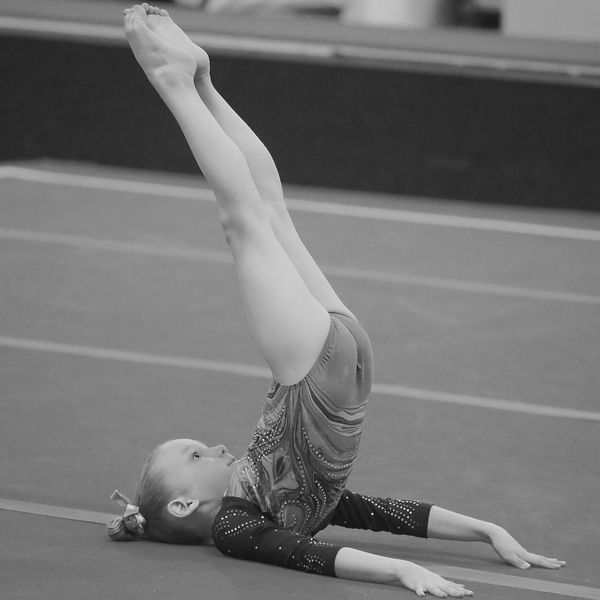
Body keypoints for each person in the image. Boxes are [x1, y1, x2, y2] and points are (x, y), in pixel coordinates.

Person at [110, 5, 565, 597]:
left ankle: (195, 82)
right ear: (183, 504)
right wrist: (419, 561)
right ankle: (185, 81)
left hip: (315, 370)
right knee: (251, 218)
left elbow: (366, 523)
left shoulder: (264, 496)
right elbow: (332, 543)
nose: (216, 445)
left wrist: (482, 533)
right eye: (196, 455)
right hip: (327, 364)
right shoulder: (236, 525)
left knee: (262, 213)